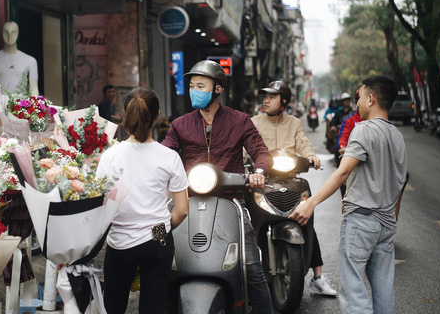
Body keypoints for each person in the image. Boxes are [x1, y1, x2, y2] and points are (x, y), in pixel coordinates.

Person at [162, 60, 274, 314]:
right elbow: (164, 154)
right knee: (163, 260)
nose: (194, 91)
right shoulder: (180, 125)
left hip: (231, 202)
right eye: (192, 86)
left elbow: (261, 152)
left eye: (201, 86)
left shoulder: (240, 120)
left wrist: (259, 171)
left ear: (218, 89)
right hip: (186, 202)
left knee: (251, 266)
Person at [289, 75, 408, 314]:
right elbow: (401, 183)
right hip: (386, 224)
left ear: (371, 99)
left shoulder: (363, 130)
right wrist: (391, 219)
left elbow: (342, 172)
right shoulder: (397, 136)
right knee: (384, 291)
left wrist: (310, 203)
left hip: (362, 221)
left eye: (361, 97)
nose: (357, 103)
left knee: (354, 293)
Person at [96, 87, 189, 314]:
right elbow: (183, 210)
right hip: (157, 240)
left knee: (113, 307)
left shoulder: (110, 155)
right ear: (157, 116)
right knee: (153, 307)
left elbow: (101, 202)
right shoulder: (169, 157)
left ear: (126, 116)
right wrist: (163, 227)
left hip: (120, 241)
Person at [252, 81, 337, 297]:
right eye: (265, 96)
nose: (266, 100)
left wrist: (312, 156)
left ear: (284, 102)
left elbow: (303, 143)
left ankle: (318, 276)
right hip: (261, 179)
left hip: (289, 180)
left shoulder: (294, 123)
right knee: (248, 222)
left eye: (272, 96)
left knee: (304, 219)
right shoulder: (253, 122)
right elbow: (247, 145)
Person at [0, 21, 39, 96]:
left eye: (13, 32)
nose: (10, 36)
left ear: (18, 34)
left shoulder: (30, 61)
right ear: (2, 33)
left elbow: (34, 89)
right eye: (6, 32)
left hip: (20, 105)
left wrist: (34, 106)